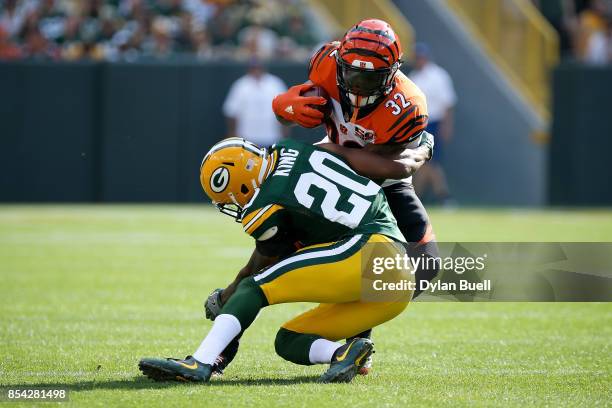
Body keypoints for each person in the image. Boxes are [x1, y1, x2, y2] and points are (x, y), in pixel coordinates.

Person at [139, 135, 434, 383]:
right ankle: (342, 354)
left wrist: (227, 294)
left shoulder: (265, 203)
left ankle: (200, 362)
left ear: (240, 183)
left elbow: (260, 265)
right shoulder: (295, 148)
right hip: (397, 281)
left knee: (253, 288)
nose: (235, 204)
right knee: (289, 340)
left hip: (369, 250)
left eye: (231, 197)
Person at [270, 19, 441, 372]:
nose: (359, 86)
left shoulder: (407, 105)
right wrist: (283, 104)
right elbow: (292, 103)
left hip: (377, 175)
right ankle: (231, 304)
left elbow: (388, 168)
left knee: (426, 264)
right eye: (353, 74)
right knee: (280, 239)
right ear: (340, 60)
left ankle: (355, 333)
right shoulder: (324, 62)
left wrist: (338, 151)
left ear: (393, 73)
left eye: (371, 78)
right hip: (330, 169)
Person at [409, 42, 457, 205]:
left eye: (421, 57)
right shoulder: (414, 77)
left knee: (429, 161)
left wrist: (447, 125)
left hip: (435, 123)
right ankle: (421, 198)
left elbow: (448, 103)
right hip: (420, 125)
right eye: (417, 57)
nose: (419, 60)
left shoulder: (438, 75)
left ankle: (441, 196)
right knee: (424, 162)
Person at [222, 58, 287, 147]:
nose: (256, 70)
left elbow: (285, 112)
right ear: (249, 69)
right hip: (247, 139)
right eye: (254, 68)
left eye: (258, 67)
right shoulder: (241, 85)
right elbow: (232, 113)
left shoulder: (275, 83)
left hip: (272, 138)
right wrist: (233, 137)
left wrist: (284, 137)